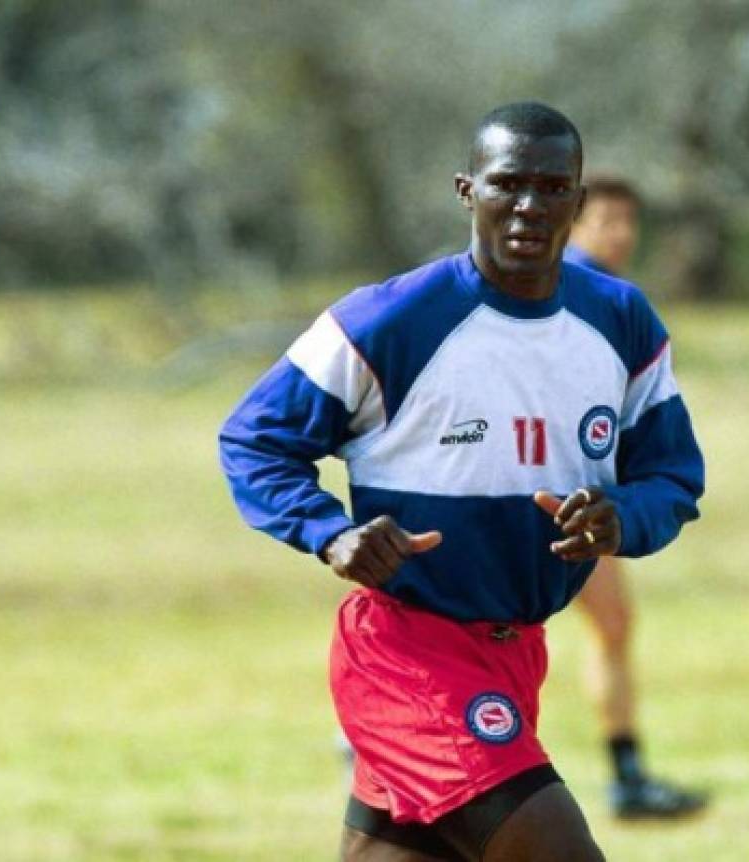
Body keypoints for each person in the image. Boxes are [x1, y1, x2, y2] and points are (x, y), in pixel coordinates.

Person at [219, 102, 704, 862]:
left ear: (578, 203)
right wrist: (331, 532)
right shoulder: (390, 319)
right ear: (466, 190)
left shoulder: (621, 321)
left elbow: (673, 475)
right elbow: (253, 438)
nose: (529, 206)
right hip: (408, 654)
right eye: (508, 183)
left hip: (515, 655)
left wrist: (624, 516)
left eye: (552, 188)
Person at [564, 177, 709, 820]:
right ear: (573, 223)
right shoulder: (580, 294)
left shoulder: (612, 299)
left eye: (628, 219)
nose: (620, 232)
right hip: (559, 501)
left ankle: (627, 775)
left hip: (585, 500)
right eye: (605, 219)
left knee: (611, 625)